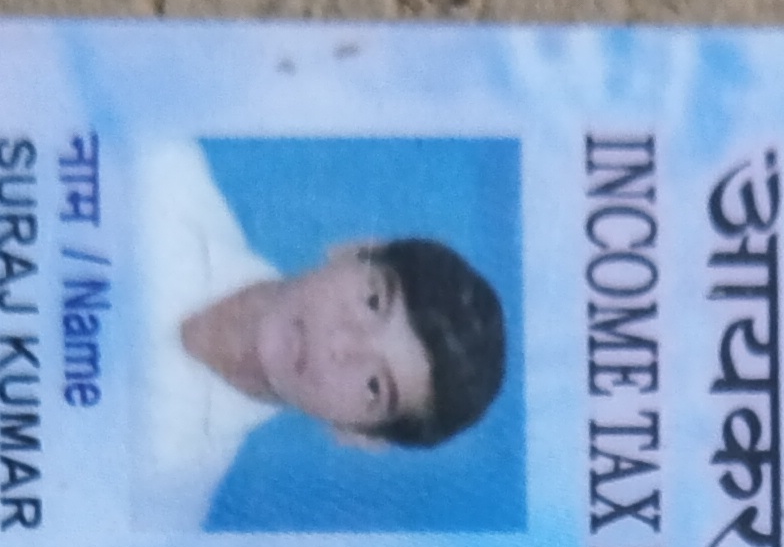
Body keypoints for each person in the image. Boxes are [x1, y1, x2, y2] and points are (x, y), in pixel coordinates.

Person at [135, 144, 508, 527]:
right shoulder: (154, 171)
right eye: (373, 301)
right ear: (354, 249)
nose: (341, 345)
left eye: (375, 386)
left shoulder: (162, 498)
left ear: (360, 437)